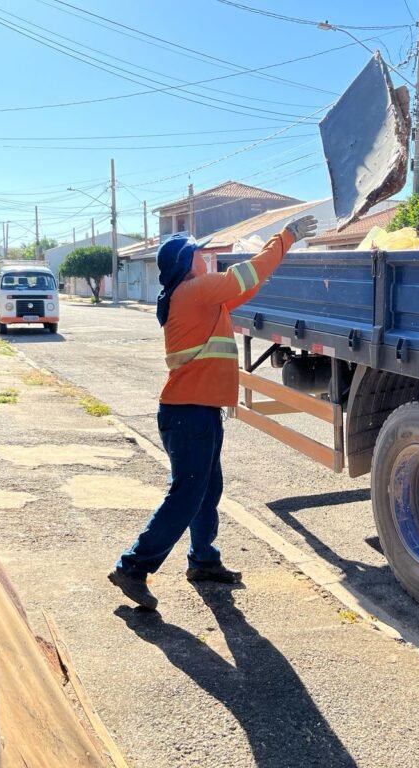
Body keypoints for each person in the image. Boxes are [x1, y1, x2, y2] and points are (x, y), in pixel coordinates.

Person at [109, 215, 318, 610]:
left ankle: (203, 559)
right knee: (187, 494)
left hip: (196, 413)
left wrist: (275, 259)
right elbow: (245, 274)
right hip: (188, 414)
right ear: (185, 263)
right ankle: (133, 566)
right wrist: (285, 238)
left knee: (206, 489)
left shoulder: (198, 297)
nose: (203, 257)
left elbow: (249, 283)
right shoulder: (193, 291)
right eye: (196, 254)